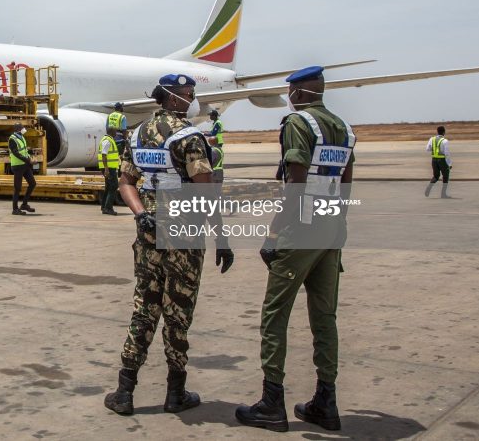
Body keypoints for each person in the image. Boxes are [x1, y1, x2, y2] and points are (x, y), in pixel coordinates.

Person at [104, 74, 234, 417]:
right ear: (176, 98)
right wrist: (221, 238)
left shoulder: (138, 133)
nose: (193, 99)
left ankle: (124, 392)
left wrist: (141, 214)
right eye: (190, 94)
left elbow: (126, 182)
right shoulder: (190, 136)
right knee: (178, 310)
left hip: (149, 230)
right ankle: (175, 393)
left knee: (144, 307)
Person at [236, 66, 354, 433]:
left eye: (291, 92)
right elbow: (346, 184)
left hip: (300, 230)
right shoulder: (344, 128)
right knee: (324, 317)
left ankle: (272, 403)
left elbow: (297, 182)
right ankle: (326, 401)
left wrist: (273, 234)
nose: (289, 97)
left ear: (300, 94)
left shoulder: (297, 123)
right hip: (331, 230)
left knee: (275, 315)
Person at [8, 124, 36, 215]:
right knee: (17, 188)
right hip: (17, 166)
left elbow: (24, 151)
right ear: (19, 130)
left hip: (25, 165)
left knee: (32, 183)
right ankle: (15, 209)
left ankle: (24, 204)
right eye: (23, 128)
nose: (24, 129)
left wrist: (30, 157)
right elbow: (16, 153)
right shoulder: (12, 139)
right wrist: (28, 160)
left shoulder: (21, 137)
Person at [424, 126, 452, 198]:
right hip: (442, 161)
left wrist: (435, 149)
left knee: (436, 176)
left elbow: (427, 149)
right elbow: (447, 153)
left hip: (434, 160)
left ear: (437, 131)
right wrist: (449, 164)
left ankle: (429, 187)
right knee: (445, 176)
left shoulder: (432, 139)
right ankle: (443, 194)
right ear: (444, 132)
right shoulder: (445, 141)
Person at [98, 128, 120, 215]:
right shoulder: (107, 141)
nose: (116, 133)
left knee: (108, 186)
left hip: (110, 167)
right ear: (111, 132)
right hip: (109, 168)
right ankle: (108, 208)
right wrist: (106, 169)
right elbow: (104, 155)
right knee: (114, 186)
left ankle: (104, 206)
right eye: (115, 131)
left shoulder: (108, 140)